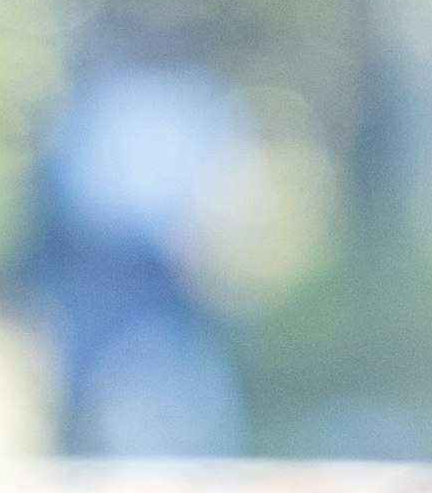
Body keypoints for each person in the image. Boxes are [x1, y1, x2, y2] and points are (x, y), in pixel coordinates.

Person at [19, 43, 260, 457]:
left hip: (156, 279)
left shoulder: (186, 101)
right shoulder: (106, 101)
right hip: (103, 267)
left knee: (177, 393)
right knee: (92, 394)